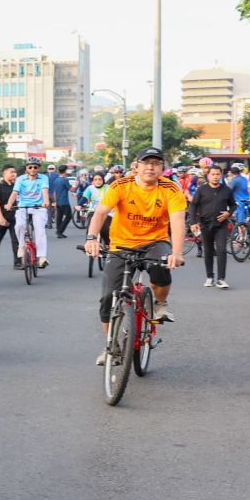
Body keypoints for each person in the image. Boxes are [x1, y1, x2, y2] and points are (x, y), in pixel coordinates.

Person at [85, 146, 186, 365]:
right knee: (107, 296)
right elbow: (101, 212)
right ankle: (112, 345)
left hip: (155, 242)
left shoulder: (171, 189)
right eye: (146, 163)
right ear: (136, 166)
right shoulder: (121, 185)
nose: (150, 167)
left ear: (163, 168)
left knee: (161, 268)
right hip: (121, 244)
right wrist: (92, 238)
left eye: (156, 163)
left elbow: (178, 222)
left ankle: (160, 303)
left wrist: (176, 253)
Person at [188, 164, 236, 288]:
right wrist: (193, 222)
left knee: (221, 250)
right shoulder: (202, 189)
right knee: (208, 251)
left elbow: (234, 205)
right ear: (208, 176)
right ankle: (209, 277)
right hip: (205, 224)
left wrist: (228, 213)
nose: (215, 177)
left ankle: (221, 279)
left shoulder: (226, 190)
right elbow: (193, 205)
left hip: (221, 225)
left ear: (221, 175)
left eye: (218, 174)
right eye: (213, 174)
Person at [7, 157, 50, 268]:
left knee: (40, 230)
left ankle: (42, 257)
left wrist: (46, 201)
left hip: (38, 207)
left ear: (39, 168)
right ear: (26, 168)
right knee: (19, 226)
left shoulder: (43, 178)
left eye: (35, 167)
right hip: (22, 206)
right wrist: (9, 204)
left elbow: (45, 191)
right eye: (30, 167)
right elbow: (14, 193)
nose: (32, 169)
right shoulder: (21, 179)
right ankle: (21, 246)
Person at [0, 165, 20, 269]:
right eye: (11, 172)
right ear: (4, 173)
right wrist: (1, 218)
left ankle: (17, 262)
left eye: (15, 172)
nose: (14, 174)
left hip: (14, 216)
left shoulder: (15, 186)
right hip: (2, 216)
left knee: (16, 239)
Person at [52, 165, 74, 238]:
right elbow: (72, 190)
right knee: (69, 216)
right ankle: (59, 231)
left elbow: (54, 192)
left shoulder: (56, 180)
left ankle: (59, 232)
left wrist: (55, 202)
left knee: (59, 217)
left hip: (58, 201)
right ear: (65, 171)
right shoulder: (65, 180)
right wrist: (77, 185)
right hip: (64, 202)